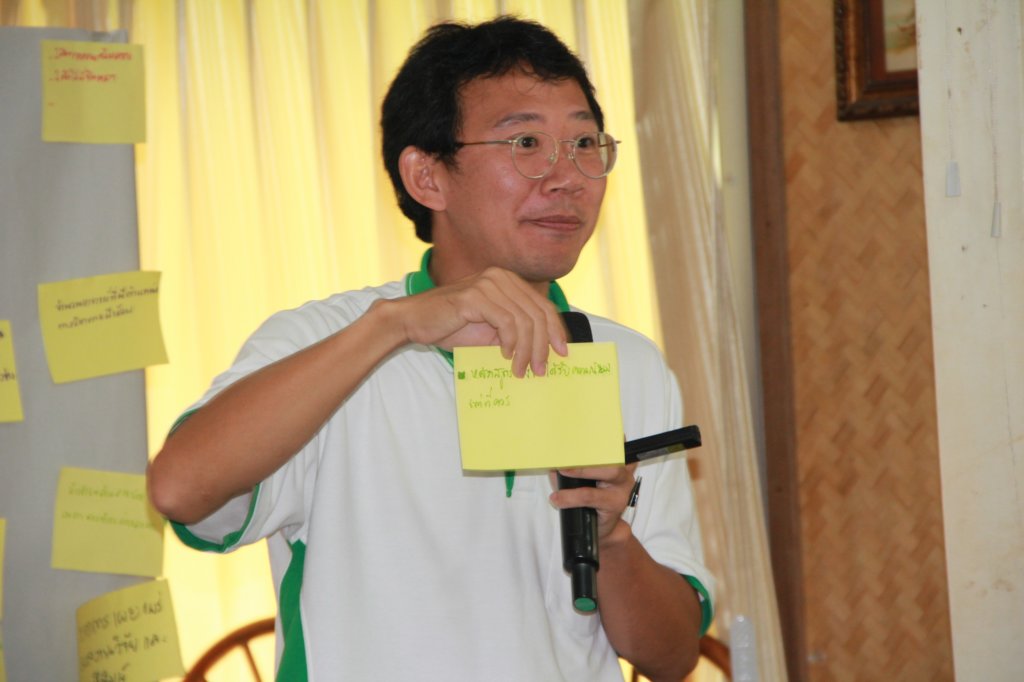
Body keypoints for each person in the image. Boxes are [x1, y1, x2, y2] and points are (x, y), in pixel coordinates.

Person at [147, 16, 713, 682]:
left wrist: (613, 536)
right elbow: (179, 489)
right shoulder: (328, 341)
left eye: (585, 142)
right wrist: (393, 329)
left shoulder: (630, 364)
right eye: (526, 142)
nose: (568, 177)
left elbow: (672, 656)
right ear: (427, 176)